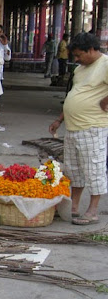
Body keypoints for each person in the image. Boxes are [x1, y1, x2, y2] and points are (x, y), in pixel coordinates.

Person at [49, 32, 108, 226]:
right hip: (73, 127)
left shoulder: (105, 64)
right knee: (73, 170)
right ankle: (73, 207)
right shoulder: (80, 69)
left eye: (79, 54)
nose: (76, 59)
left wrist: (105, 101)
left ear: (91, 50)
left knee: (94, 168)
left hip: (92, 127)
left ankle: (92, 210)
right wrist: (59, 120)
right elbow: (75, 94)